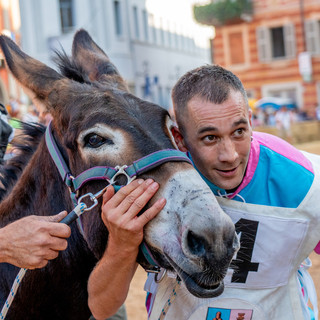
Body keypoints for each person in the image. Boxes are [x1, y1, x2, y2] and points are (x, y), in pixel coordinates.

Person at [88, 65, 320, 320]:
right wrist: (120, 244)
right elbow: (102, 308)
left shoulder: (303, 180)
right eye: (210, 138)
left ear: (251, 122)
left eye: (239, 132)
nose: (229, 155)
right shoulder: (153, 183)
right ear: (179, 138)